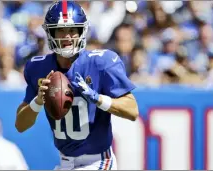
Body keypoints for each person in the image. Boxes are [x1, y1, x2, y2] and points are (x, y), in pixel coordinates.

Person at [15, 0, 139, 170]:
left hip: (98, 162)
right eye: (61, 31)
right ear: (50, 33)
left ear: (82, 30)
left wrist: (98, 99)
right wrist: (37, 101)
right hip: (65, 163)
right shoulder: (38, 68)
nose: (67, 37)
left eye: (73, 30)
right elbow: (20, 125)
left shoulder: (101, 63)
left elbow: (132, 110)